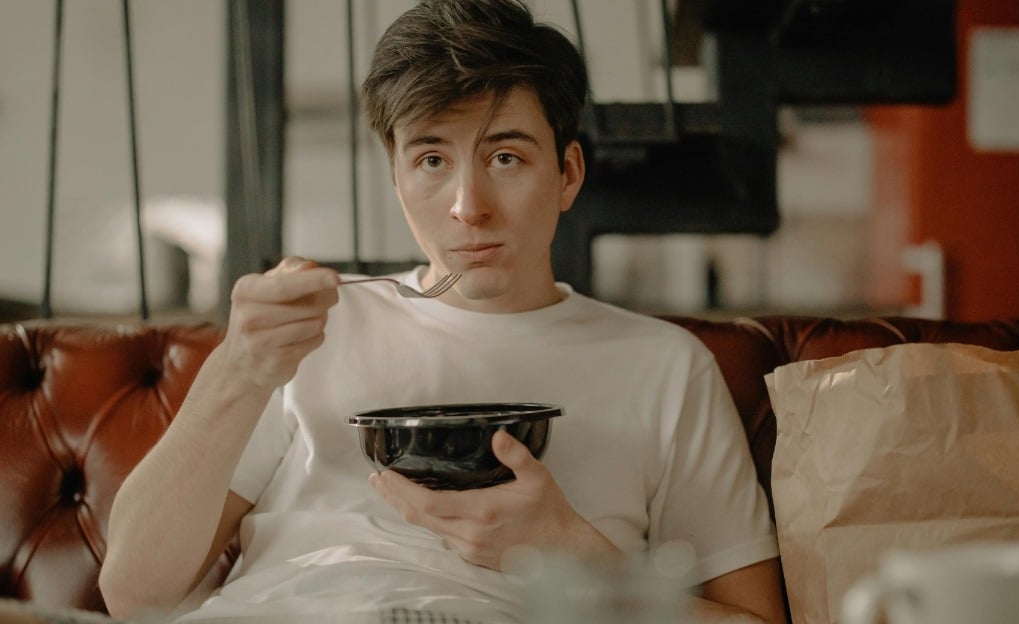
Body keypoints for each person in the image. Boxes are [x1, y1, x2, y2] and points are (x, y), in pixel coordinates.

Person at [99, 1, 786, 622]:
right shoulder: (308, 332)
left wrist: (574, 553)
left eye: (506, 156)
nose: (468, 206)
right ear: (397, 177)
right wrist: (238, 371)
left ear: (569, 173)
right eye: (431, 159)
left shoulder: (663, 367)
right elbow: (134, 594)